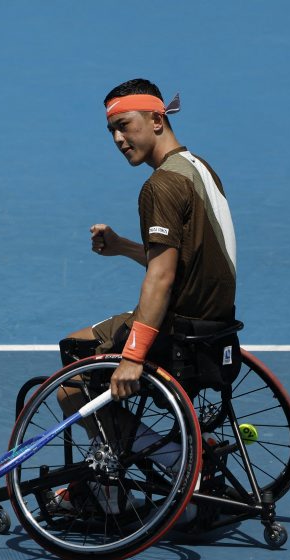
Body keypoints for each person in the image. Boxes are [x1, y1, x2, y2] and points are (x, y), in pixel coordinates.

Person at [52, 78, 238, 514]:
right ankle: (174, 453)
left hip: (177, 332)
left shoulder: (160, 186)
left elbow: (162, 278)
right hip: (215, 328)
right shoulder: (198, 168)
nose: (118, 139)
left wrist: (134, 356)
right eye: (111, 131)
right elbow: (184, 262)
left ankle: (160, 469)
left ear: (157, 120)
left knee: (73, 370)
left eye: (125, 125)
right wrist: (122, 247)